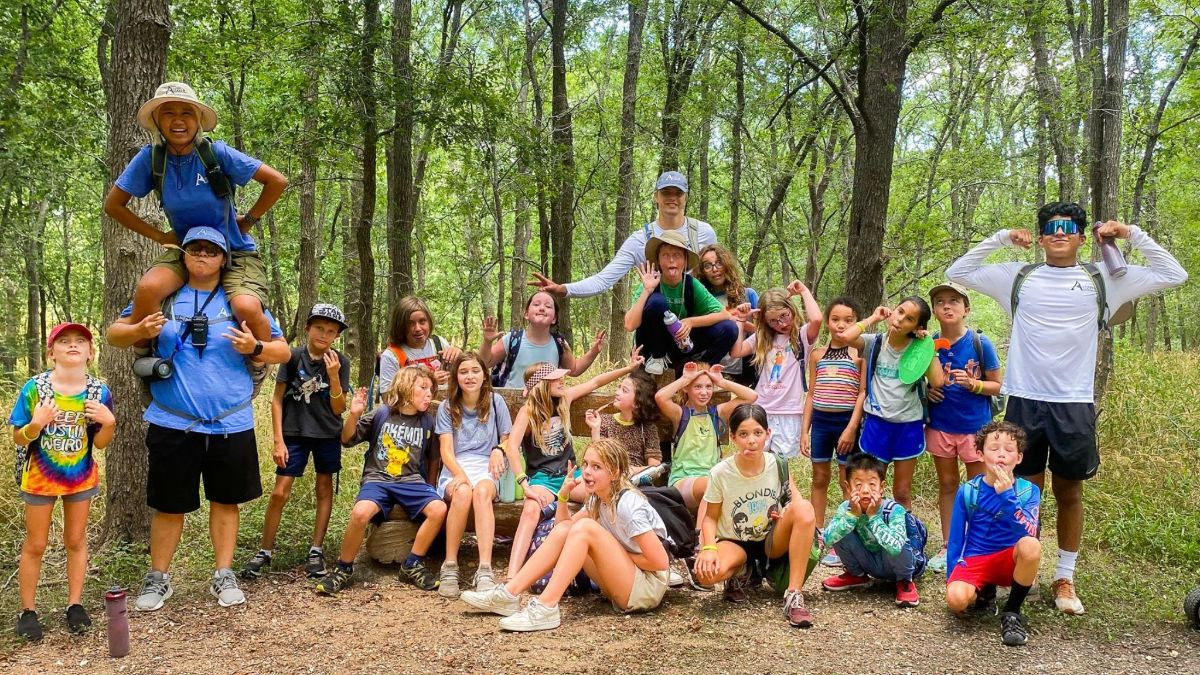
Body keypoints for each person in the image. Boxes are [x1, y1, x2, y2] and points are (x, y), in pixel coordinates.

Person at [946, 202, 1187, 614]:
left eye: (1070, 227)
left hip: (1073, 402)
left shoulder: (1105, 280)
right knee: (1026, 491)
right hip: (1024, 397)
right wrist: (1004, 237)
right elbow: (958, 273)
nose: (1060, 233)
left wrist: (1130, 233)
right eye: (1051, 228)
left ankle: (1065, 576)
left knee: (1069, 491)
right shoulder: (1019, 277)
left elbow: (1174, 274)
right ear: (1040, 238)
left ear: (1081, 235)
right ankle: (1027, 570)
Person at [106, 226, 291, 611]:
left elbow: (283, 352)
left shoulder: (241, 301)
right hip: (173, 421)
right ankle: (158, 578)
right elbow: (114, 335)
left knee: (226, 502)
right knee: (169, 505)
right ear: (184, 255)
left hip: (231, 422)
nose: (202, 255)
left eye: (211, 250)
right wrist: (140, 329)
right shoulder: (166, 297)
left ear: (224, 259)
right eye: (195, 249)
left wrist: (254, 346)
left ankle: (224, 574)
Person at [104, 82, 287, 354]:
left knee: (246, 306)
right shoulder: (150, 159)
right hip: (185, 249)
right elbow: (114, 205)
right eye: (168, 113)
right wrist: (161, 237)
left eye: (186, 113)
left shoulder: (216, 153)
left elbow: (277, 181)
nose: (178, 120)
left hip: (234, 249)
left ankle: (258, 363)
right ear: (157, 120)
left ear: (198, 119)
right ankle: (146, 356)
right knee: (148, 288)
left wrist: (249, 220)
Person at [460, 439, 671, 632]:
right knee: (572, 528)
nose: (587, 472)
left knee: (586, 528)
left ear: (614, 473)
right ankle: (508, 594)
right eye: (586, 464)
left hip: (646, 588)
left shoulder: (628, 504)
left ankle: (547, 607)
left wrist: (615, 554)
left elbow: (660, 562)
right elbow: (563, 531)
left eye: (596, 467)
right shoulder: (598, 499)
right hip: (626, 581)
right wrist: (562, 496)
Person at [9, 324, 115, 640]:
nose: (72, 346)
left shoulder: (99, 392)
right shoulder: (34, 389)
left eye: (80, 341)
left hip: (80, 479)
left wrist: (110, 422)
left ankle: (75, 605)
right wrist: (36, 424)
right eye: (64, 341)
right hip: (40, 479)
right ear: (50, 352)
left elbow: (100, 444)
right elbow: (18, 436)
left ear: (90, 352)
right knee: (36, 543)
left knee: (76, 539)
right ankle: (27, 610)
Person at [502, 349, 645, 580]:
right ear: (542, 385)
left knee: (608, 495)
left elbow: (596, 381)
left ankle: (629, 557)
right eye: (556, 378)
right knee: (530, 510)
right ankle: (512, 577)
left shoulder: (564, 400)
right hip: (544, 479)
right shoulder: (528, 412)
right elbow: (511, 446)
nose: (562, 380)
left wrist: (628, 369)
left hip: (572, 475)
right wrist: (524, 483)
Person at [242, 303, 351, 580]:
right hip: (294, 432)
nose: (323, 335)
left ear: (336, 335)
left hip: (327, 432)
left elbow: (340, 408)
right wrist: (278, 440)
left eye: (330, 331)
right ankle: (265, 550)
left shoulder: (340, 361)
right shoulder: (292, 357)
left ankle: (316, 549)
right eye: (319, 328)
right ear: (307, 328)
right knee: (280, 491)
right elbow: (277, 399)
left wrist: (335, 375)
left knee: (324, 487)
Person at [315, 368, 447, 595]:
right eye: (423, 388)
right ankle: (344, 568)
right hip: (378, 479)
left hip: (411, 481)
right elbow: (346, 439)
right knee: (360, 512)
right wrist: (354, 414)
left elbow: (433, 457)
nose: (429, 394)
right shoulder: (382, 414)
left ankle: (412, 563)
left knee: (439, 509)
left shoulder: (427, 422)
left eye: (431, 389)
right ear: (405, 388)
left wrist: (432, 485)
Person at [693, 404, 818, 628]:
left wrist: (785, 513)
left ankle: (794, 595)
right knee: (706, 576)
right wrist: (708, 548)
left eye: (757, 433)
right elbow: (710, 517)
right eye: (743, 434)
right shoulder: (721, 472)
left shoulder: (777, 464)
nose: (751, 440)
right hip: (735, 541)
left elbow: (796, 503)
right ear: (733, 437)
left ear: (767, 434)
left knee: (806, 509)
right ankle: (741, 571)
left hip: (771, 538)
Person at [528, 171, 717, 299]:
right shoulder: (640, 239)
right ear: (656, 197)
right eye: (666, 192)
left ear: (685, 197)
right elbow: (603, 280)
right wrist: (564, 289)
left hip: (695, 316)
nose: (672, 197)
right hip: (657, 318)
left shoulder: (703, 233)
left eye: (678, 193)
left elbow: (716, 275)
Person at [924, 282, 1002, 574]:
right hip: (940, 426)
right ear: (934, 311)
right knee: (947, 486)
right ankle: (948, 545)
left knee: (977, 489)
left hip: (975, 428)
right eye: (941, 301)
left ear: (966, 309)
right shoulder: (928, 345)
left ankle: (976, 545)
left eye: (954, 301)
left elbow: (997, 385)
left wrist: (974, 384)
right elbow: (920, 380)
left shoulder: (981, 344)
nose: (947, 306)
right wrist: (926, 392)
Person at [838, 298, 944, 510]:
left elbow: (938, 381)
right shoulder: (874, 342)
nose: (900, 319)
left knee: (902, 492)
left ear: (917, 327)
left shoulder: (917, 349)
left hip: (908, 426)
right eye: (900, 311)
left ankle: (902, 537)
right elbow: (845, 337)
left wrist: (927, 346)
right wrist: (874, 318)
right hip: (877, 424)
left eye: (909, 319)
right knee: (871, 488)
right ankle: (870, 537)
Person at [945, 421, 1042, 647]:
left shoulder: (1028, 491)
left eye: (1009, 450)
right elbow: (956, 538)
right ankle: (984, 591)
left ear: (1018, 458)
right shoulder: (969, 491)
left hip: (1010, 559)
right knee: (956, 600)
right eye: (994, 448)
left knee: (1031, 545)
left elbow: (1028, 530)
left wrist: (1008, 496)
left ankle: (1012, 612)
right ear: (980, 454)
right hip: (976, 558)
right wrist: (952, 578)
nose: (1001, 455)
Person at [436, 353, 513, 598]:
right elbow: (446, 451)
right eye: (464, 372)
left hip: (487, 467)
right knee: (462, 492)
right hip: (456, 467)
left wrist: (499, 450)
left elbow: (507, 439)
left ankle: (485, 568)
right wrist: (461, 476)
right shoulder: (447, 406)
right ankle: (450, 566)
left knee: (481, 493)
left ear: (484, 375)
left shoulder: (496, 402)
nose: (470, 376)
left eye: (475, 371)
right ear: (456, 377)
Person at [800, 296, 866, 567]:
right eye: (836, 319)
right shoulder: (817, 354)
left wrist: (851, 428)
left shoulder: (860, 355)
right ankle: (816, 535)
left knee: (845, 480)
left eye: (848, 320)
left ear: (857, 323)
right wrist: (805, 431)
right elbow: (812, 393)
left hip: (846, 426)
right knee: (819, 477)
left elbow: (862, 393)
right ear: (827, 322)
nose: (841, 325)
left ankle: (845, 537)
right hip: (822, 425)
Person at [655, 362, 758, 524]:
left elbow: (751, 396)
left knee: (729, 483)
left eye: (708, 387)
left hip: (712, 480)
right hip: (684, 481)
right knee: (712, 485)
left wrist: (721, 382)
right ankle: (701, 540)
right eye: (697, 387)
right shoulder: (680, 414)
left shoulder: (716, 414)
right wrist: (685, 378)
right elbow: (660, 397)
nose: (704, 392)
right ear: (686, 389)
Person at [728, 282, 823, 458]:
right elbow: (736, 352)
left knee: (781, 463)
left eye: (784, 316)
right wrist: (741, 320)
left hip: (789, 411)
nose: (781, 323)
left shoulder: (801, 337)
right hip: (761, 408)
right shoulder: (762, 338)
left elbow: (817, 319)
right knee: (757, 459)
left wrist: (803, 291)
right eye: (773, 321)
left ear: (791, 310)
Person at [624, 230, 737, 375]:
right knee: (657, 301)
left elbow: (724, 315)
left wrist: (690, 322)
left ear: (684, 261)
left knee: (729, 329)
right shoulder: (650, 283)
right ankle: (657, 358)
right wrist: (646, 291)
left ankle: (701, 370)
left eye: (676, 255)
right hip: (650, 347)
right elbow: (629, 325)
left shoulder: (691, 284)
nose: (671, 260)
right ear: (658, 261)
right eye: (666, 255)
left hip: (678, 344)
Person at [821, 452, 925, 607]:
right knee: (841, 528)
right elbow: (827, 538)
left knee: (898, 540)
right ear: (848, 487)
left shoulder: (893, 510)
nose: (865, 490)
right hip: (870, 562)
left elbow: (896, 547)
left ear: (881, 487)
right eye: (858, 485)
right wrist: (851, 516)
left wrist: (873, 516)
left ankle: (905, 582)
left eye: (871, 484)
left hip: (901, 564)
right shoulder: (846, 508)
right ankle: (856, 575)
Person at [479, 291, 604, 389]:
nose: (542, 308)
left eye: (548, 306)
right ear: (526, 314)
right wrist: (487, 341)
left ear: (554, 318)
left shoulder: (559, 343)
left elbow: (574, 369)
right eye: (536, 304)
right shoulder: (512, 339)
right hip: (510, 407)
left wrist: (594, 351)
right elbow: (485, 362)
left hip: (544, 408)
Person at [579, 370, 662, 492]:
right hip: (606, 481)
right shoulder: (605, 422)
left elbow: (654, 468)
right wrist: (595, 429)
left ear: (638, 403)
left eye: (624, 390)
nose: (617, 392)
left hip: (636, 484)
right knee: (576, 487)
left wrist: (625, 471)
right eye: (619, 388)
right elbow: (598, 457)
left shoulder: (647, 428)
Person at [695, 244, 759, 384]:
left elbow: (765, 333)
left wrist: (738, 320)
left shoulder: (748, 295)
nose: (715, 269)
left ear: (727, 264)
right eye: (707, 266)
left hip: (745, 368)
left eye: (719, 263)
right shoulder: (699, 298)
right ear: (702, 271)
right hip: (708, 368)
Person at [378, 296, 463, 392]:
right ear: (400, 326)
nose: (418, 328)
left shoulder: (439, 343)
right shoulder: (392, 356)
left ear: (429, 322)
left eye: (422, 321)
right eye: (410, 323)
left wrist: (459, 355)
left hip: (444, 405)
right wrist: (429, 381)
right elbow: (387, 397)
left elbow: (463, 374)